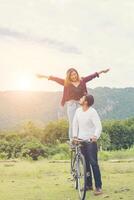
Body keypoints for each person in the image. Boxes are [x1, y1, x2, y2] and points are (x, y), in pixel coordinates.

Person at [36, 67, 110, 140]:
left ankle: (81, 138)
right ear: (69, 76)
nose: (74, 76)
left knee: (81, 122)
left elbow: (92, 76)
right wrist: (42, 76)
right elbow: (55, 79)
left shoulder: (82, 80)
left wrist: (102, 71)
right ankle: (73, 141)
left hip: (81, 104)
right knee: (72, 123)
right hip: (71, 105)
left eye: (75, 74)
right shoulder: (66, 82)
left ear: (77, 74)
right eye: (71, 75)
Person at [72, 95, 103, 195]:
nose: (80, 99)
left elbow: (98, 126)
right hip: (80, 140)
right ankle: (89, 185)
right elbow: (75, 124)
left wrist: (95, 136)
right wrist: (75, 136)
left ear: (86, 102)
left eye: (82, 98)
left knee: (93, 163)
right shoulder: (78, 111)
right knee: (85, 164)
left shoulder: (92, 112)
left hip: (90, 141)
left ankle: (98, 187)